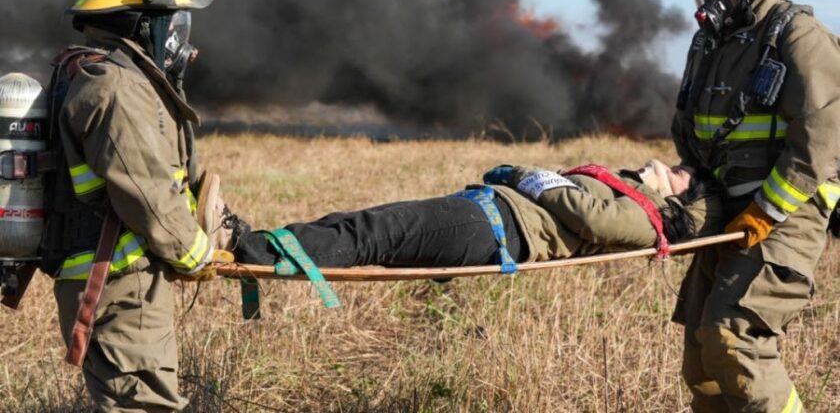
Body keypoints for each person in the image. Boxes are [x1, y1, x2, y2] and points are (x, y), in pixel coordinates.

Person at [45, 0, 242, 411]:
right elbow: (146, 192)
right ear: (142, 21)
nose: (180, 35)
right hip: (120, 287)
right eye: (173, 20)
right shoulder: (115, 88)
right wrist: (196, 253)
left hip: (120, 280)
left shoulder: (113, 75)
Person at [670, 0, 840, 411]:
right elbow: (689, 128)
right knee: (701, 359)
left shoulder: (798, 34)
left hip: (787, 210)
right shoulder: (706, 43)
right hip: (727, 213)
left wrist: (765, 211)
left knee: (733, 339)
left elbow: (822, 136)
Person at [233, 160, 723, 271]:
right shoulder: (630, 190)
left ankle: (247, 249)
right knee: (363, 221)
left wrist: (527, 176)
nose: (669, 164)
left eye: (681, 173)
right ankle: (258, 241)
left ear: (681, 203)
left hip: (495, 229)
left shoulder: (648, 220)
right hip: (486, 213)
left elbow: (590, 219)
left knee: (372, 233)